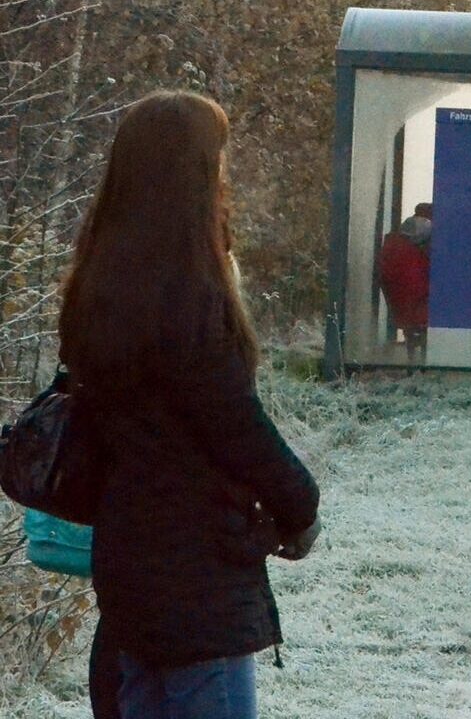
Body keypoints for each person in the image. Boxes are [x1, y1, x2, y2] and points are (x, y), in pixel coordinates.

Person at [61, 91, 320, 719]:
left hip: (126, 562)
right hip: (197, 574)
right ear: (194, 177)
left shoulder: (94, 288)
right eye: (219, 162)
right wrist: (300, 506)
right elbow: (234, 425)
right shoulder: (189, 298)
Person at [377, 203, 432, 369]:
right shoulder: (413, 256)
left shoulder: (394, 247)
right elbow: (419, 287)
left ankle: (413, 359)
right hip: (418, 313)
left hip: (405, 312)